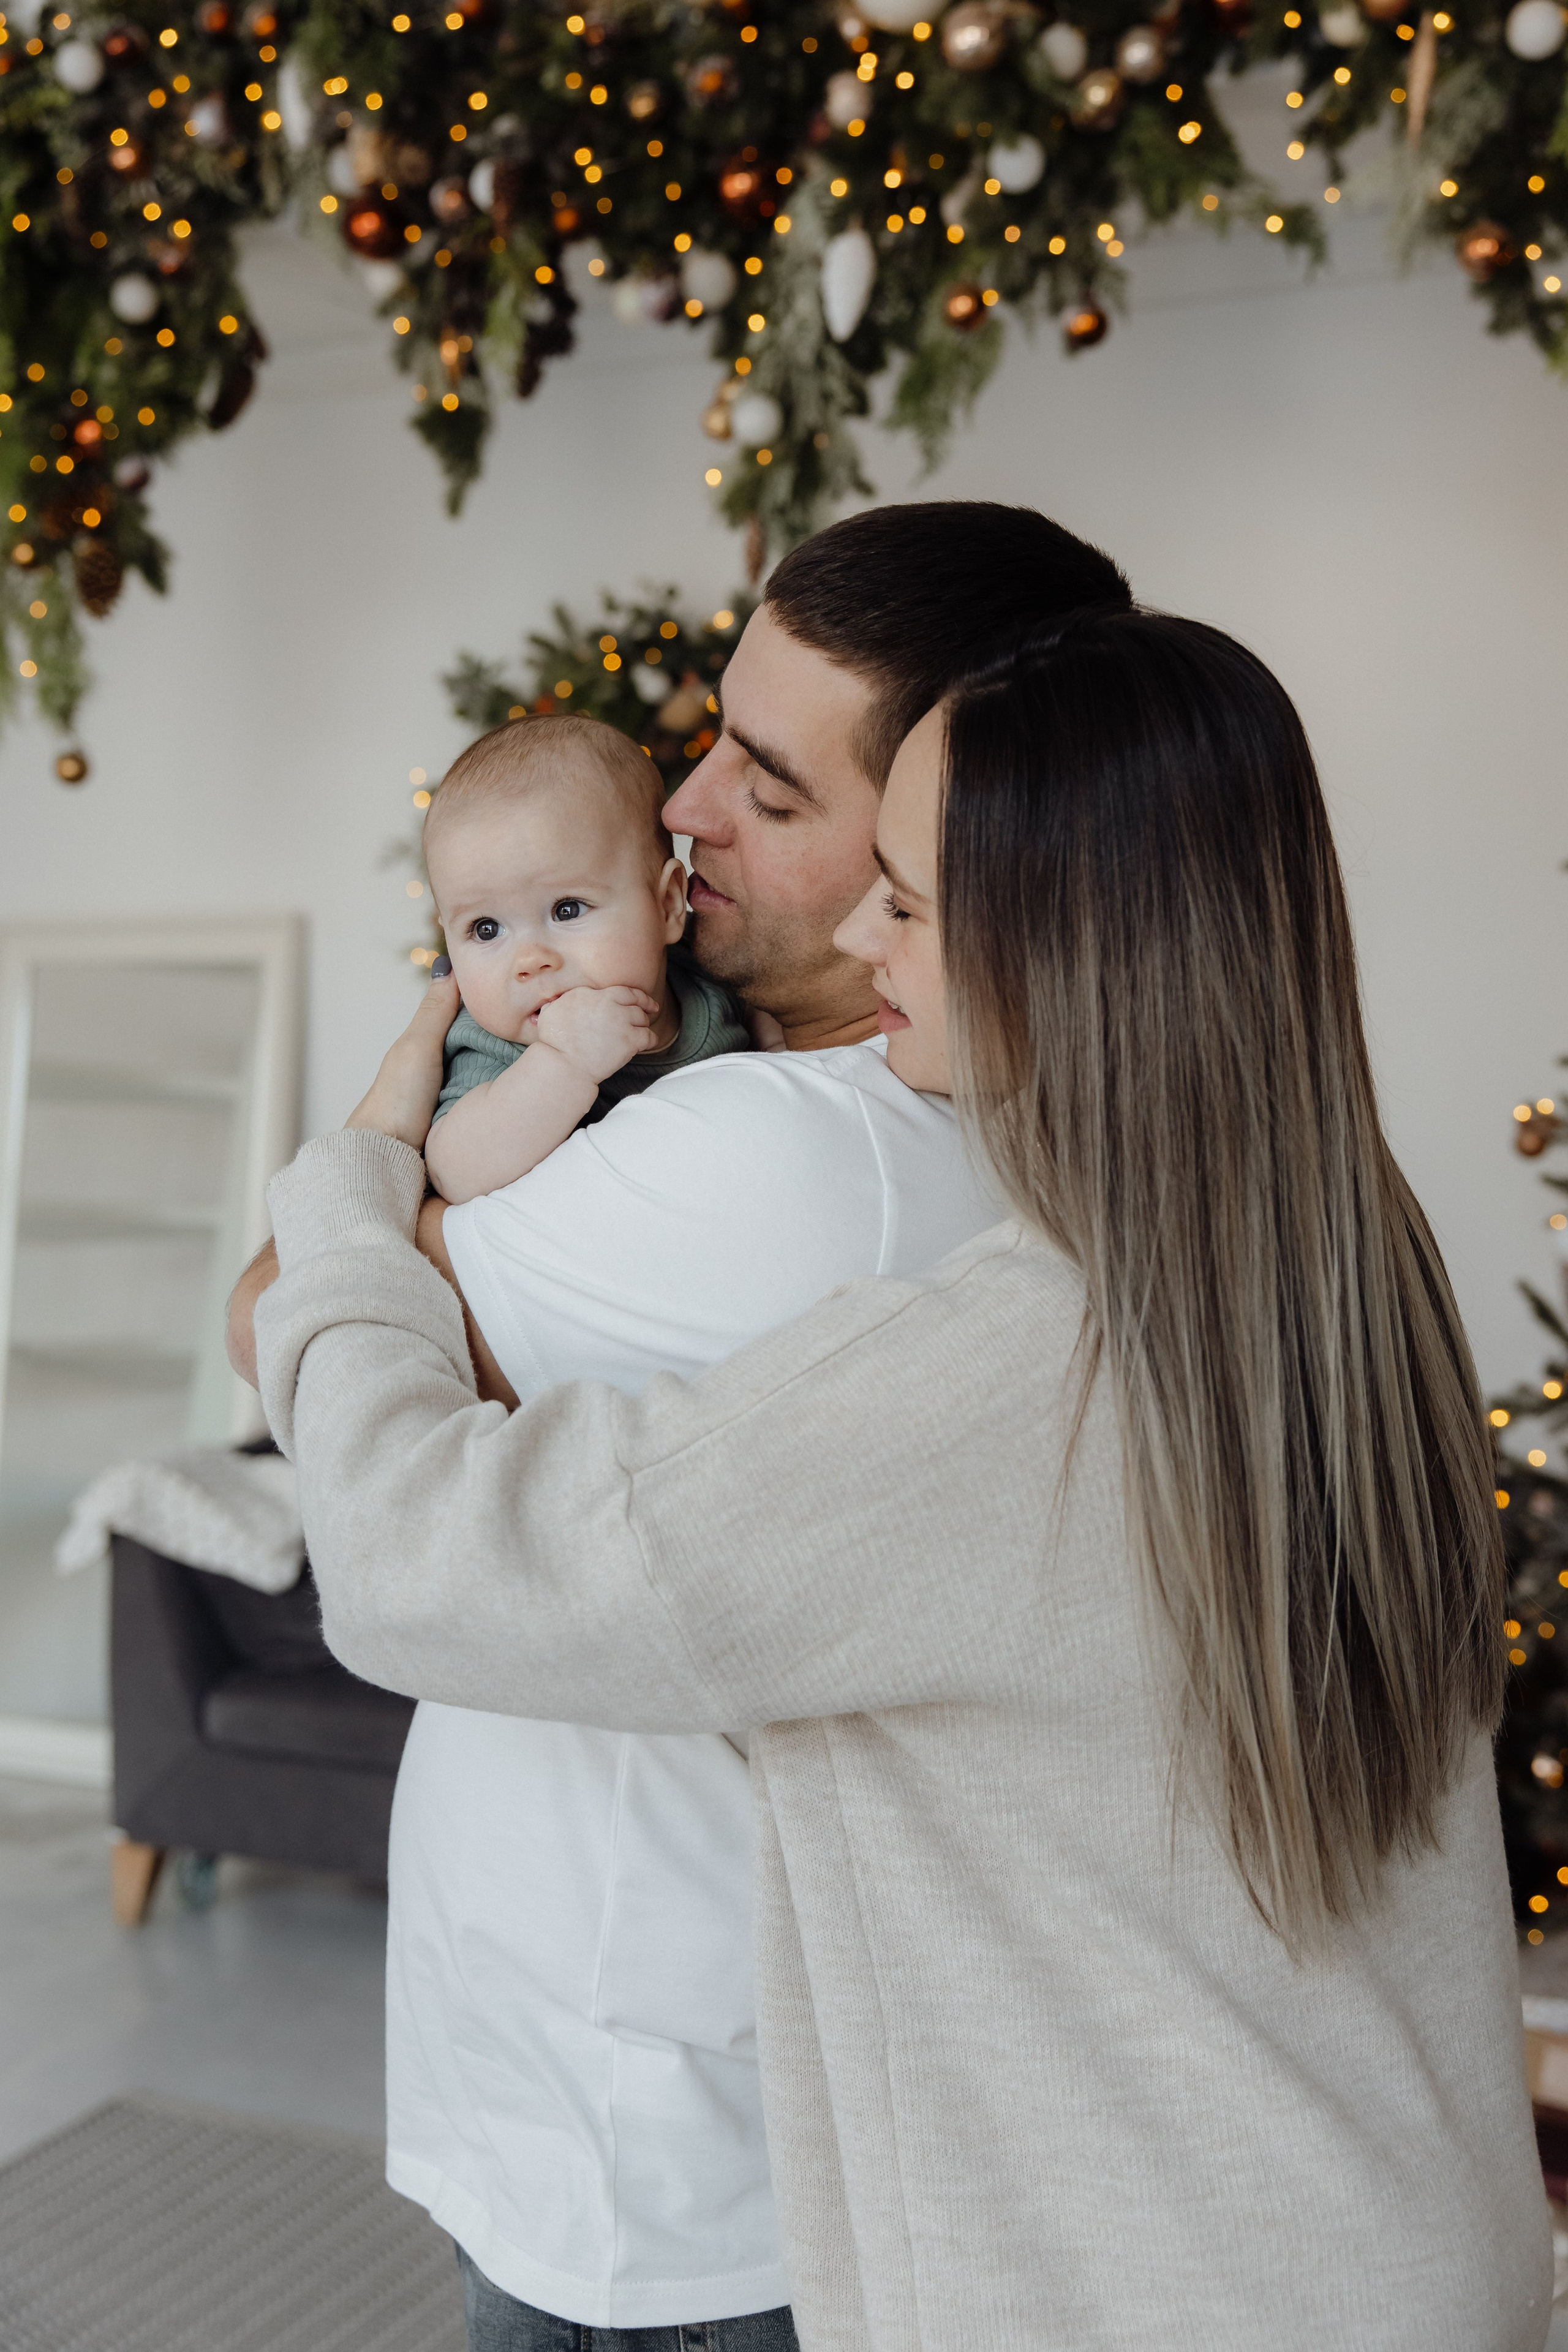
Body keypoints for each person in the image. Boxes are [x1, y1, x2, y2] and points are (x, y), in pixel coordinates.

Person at [253, 604, 1551, 2350]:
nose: (870, 932)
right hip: (1383, 2246)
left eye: (913, 899)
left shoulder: (1014, 1359)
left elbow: (420, 1562)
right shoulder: (1342, 1252)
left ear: (1069, 940)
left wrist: (347, 1190)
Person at [229, 503, 1136, 2347]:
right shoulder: (783, 1094)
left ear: (948, 838)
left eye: (772, 790)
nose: (684, 808)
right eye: (712, 734)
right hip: (633, 2088)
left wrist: (382, 1127)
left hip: (666, 2156)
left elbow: (276, 1327)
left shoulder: (795, 1156)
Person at [420, 711, 748, 1204]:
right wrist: (562, 1064)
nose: (529, 960)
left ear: (666, 906)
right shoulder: (501, 1050)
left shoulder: (707, 975)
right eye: (485, 929)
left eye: (567, 909)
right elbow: (455, 1172)